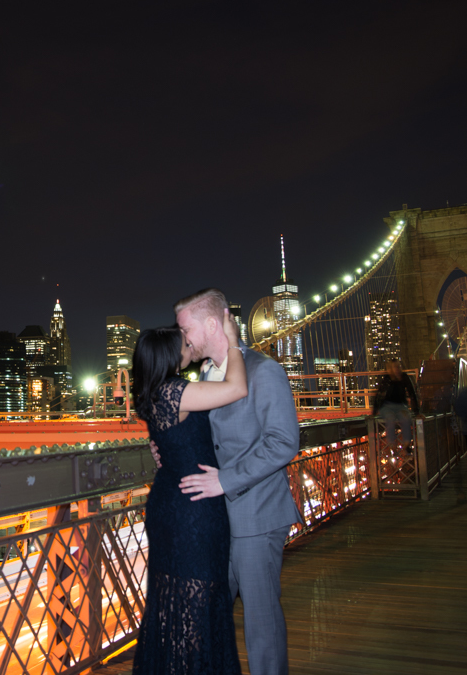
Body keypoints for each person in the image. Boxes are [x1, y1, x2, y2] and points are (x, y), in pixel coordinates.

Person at [174, 288, 301, 675]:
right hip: (217, 522)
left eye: (186, 329)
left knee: (261, 624)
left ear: (213, 325)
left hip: (257, 517)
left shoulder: (264, 370)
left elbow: (283, 442)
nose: (183, 338)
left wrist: (225, 481)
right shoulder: (205, 375)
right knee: (210, 617)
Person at [131, 318, 249, 674]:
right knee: (199, 602)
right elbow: (237, 388)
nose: (190, 346)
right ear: (170, 355)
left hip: (170, 501)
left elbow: (173, 439)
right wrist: (233, 342)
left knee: (173, 599)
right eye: (184, 344)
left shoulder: (154, 394)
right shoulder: (175, 391)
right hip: (194, 508)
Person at [373, 359, 418, 448]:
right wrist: (373, 413)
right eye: (395, 367)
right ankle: (392, 443)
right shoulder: (387, 379)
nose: (398, 369)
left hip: (401, 406)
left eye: (399, 366)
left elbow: (412, 394)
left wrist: (417, 412)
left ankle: (407, 443)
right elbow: (379, 395)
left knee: (406, 418)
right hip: (387, 406)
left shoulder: (404, 377)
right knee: (390, 418)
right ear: (391, 369)